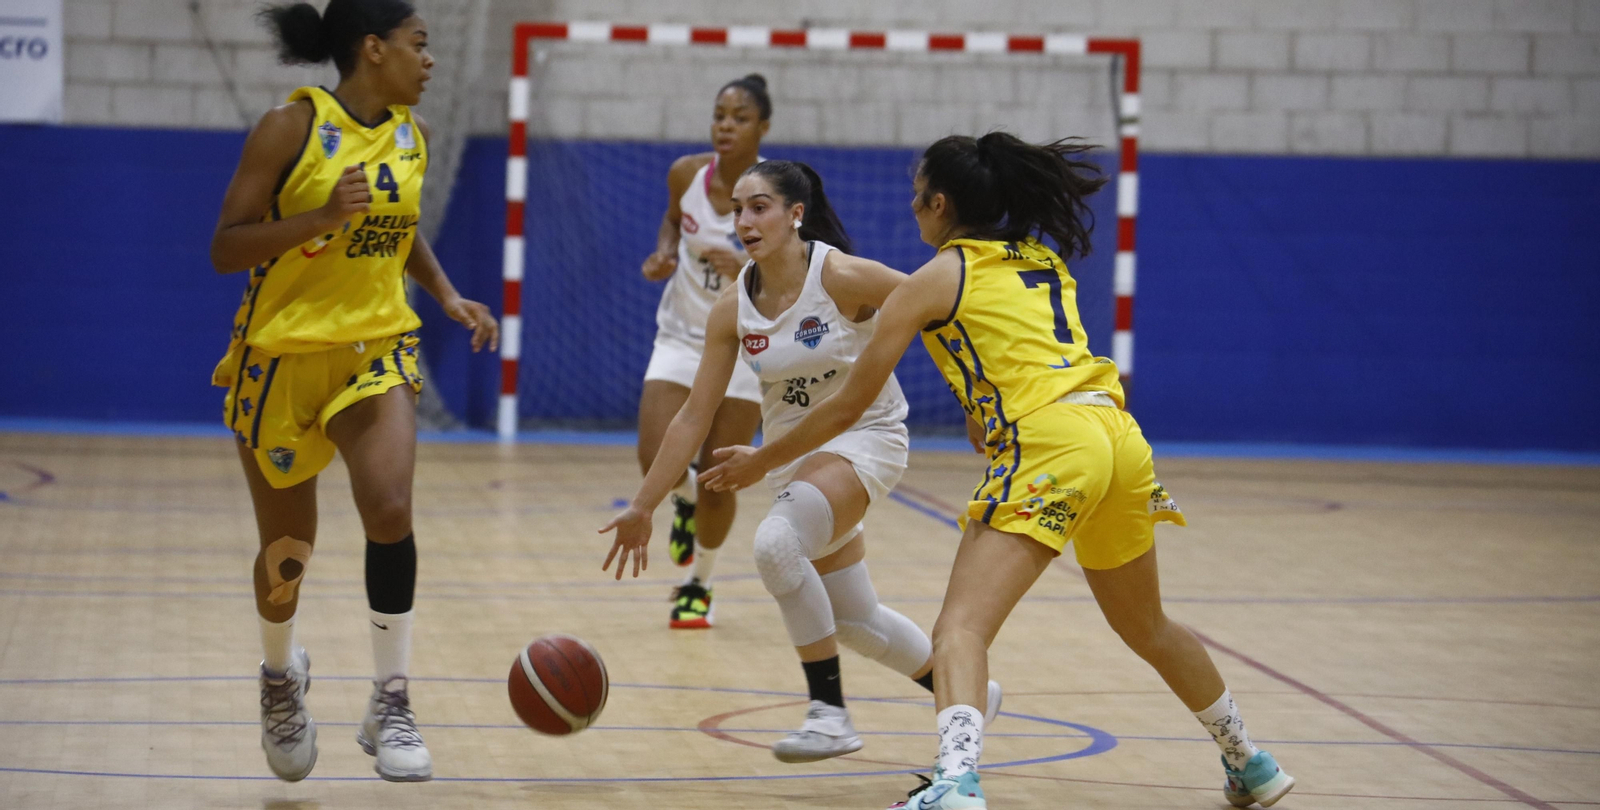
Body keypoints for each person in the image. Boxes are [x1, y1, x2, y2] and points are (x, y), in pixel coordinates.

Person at [702, 132, 1295, 809]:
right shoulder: (1041, 259)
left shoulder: (932, 279)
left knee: (959, 630)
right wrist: (979, 409)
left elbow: (846, 407)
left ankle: (955, 783)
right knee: (1147, 625)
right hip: (1116, 435)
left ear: (940, 204)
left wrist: (761, 459)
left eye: (917, 195)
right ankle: (1248, 759)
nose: (911, 206)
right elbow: (1012, 349)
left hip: (1050, 445)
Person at [602, 160, 1000, 763]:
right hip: (794, 458)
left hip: (865, 437)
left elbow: (947, 309)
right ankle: (971, 695)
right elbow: (692, 418)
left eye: (759, 207)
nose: (744, 221)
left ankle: (828, 714)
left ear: (795, 214)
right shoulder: (732, 309)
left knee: (775, 544)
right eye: (737, 209)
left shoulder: (841, 276)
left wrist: (978, 397)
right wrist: (643, 506)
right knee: (856, 620)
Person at [209, 0, 497, 783]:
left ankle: (390, 699)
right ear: (373, 48)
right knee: (287, 554)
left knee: (390, 508)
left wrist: (446, 294)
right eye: (418, 44)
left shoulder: (414, 135)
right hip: (281, 358)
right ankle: (279, 676)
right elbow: (225, 248)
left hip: (375, 347)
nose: (429, 60)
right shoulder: (290, 129)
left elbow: (397, 229)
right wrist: (319, 217)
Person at [637, 74, 773, 628]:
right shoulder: (686, 174)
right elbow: (673, 220)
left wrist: (747, 267)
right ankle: (684, 501)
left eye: (740, 118)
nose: (726, 125)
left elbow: (796, 272)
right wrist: (665, 252)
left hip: (746, 344)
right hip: (681, 333)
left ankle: (699, 584)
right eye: (720, 115)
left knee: (721, 474)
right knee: (655, 456)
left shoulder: (777, 192)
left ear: (763, 128)